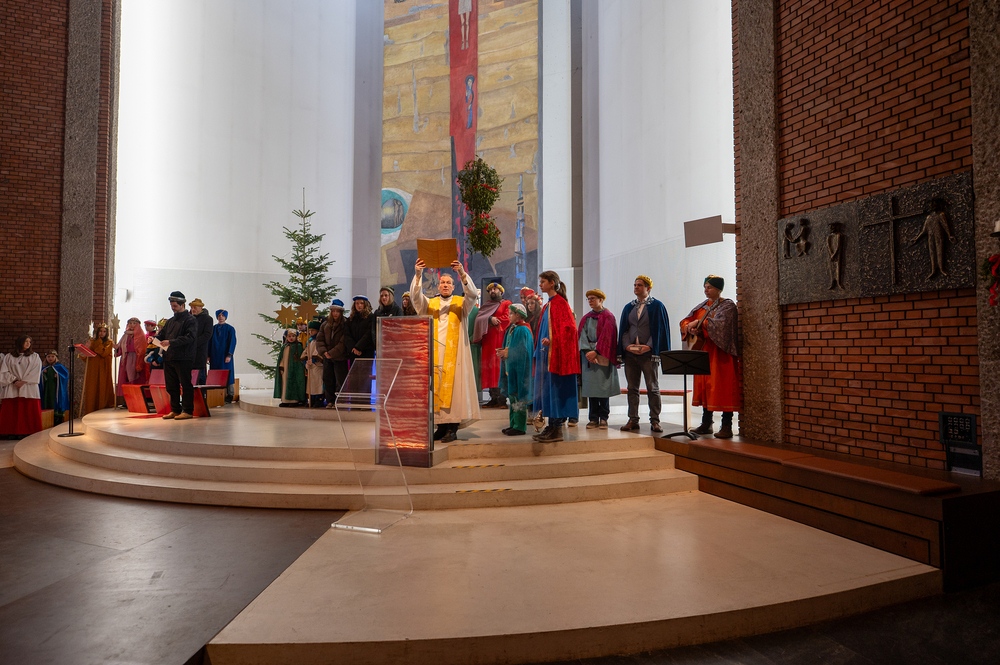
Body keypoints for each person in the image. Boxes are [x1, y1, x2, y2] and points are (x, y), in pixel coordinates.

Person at [409, 258, 480, 443]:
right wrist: (418, 274)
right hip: (435, 355)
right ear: (438, 286)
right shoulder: (430, 303)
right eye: (443, 282)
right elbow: (415, 298)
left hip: (455, 356)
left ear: (454, 287)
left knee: (454, 391)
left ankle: (452, 428)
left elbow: (473, 294)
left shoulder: (462, 303)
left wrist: (462, 273)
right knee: (436, 389)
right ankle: (440, 427)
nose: (445, 285)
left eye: (449, 282)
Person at [680, 275, 742, 438]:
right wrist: (689, 327)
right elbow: (686, 320)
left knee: (724, 388)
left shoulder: (727, 305)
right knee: (706, 388)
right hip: (704, 353)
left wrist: (699, 323)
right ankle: (706, 423)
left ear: (718, 289)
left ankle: (726, 425)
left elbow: (723, 325)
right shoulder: (702, 306)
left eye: (710, 287)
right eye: (705, 287)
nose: (706, 290)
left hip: (721, 354)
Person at [618, 275, 670, 434]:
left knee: (652, 387)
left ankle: (655, 420)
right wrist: (626, 346)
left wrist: (649, 346)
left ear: (648, 288)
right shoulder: (629, 307)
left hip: (648, 355)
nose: (636, 287)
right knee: (632, 388)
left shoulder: (657, 306)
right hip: (631, 355)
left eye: (639, 285)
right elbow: (624, 329)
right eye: (635, 285)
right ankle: (633, 419)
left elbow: (659, 329)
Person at [532, 271, 580, 443]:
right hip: (547, 357)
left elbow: (570, 330)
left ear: (552, 283)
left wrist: (552, 340)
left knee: (556, 392)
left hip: (557, 357)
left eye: (543, 281)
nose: (540, 285)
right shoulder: (548, 305)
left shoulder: (560, 304)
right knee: (549, 392)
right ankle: (551, 427)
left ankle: (556, 429)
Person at [579, 289, 620, 430]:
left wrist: (596, 352)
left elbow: (608, 337)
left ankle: (603, 417)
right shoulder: (586, 317)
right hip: (588, 357)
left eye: (593, 298)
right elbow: (581, 335)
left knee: (603, 388)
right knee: (591, 388)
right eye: (589, 299)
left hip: (602, 355)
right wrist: (587, 352)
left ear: (601, 300)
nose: (590, 301)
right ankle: (593, 418)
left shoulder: (608, 316)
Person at [157, 291, 198, 420]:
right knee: (171, 386)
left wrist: (171, 342)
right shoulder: (170, 321)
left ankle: (188, 411)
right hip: (169, 357)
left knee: (185, 385)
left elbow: (190, 337)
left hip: (184, 357)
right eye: (171, 306)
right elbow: (162, 335)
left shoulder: (191, 320)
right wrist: (154, 339)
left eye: (175, 306)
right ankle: (175, 410)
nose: (173, 308)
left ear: (182, 305)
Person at [475, 282, 511, 408]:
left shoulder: (507, 304)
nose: (492, 291)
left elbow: (508, 318)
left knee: (499, 368)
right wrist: (489, 319)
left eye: (495, 289)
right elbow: (479, 319)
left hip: (500, 340)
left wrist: (496, 320)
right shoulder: (486, 306)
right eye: (490, 290)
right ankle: (493, 398)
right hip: (488, 342)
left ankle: (502, 399)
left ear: (501, 291)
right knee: (489, 369)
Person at [499, 304, 533, 435]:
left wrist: (507, 353)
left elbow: (523, 351)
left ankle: (519, 427)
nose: (509, 316)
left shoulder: (523, 330)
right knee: (513, 398)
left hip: (519, 370)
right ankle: (513, 423)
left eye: (511, 314)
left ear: (518, 315)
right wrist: (504, 352)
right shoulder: (513, 328)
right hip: (511, 369)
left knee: (519, 398)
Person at [0, 335, 43, 437]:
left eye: (29, 342)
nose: (28, 344)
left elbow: (36, 371)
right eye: (26, 341)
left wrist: (23, 381)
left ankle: (28, 432)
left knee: (28, 411)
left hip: (28, 387)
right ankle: (9, 432)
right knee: (12, 411)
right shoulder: (9, 357)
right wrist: (14, 380)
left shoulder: (34, 356)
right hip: (12, 385)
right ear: (20, 342)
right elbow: (3, 371)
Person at [316, 299, 349, 408]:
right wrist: (324, 352)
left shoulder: (345, 324)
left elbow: (344, 342)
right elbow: (319, 339)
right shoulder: (325, 324)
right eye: (333, 311)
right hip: (327, 357)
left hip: (340, 357)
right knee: (328, 379)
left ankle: (340, 400)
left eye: (337, 311)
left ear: (341, 312)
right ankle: (330, 401)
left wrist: (332, 353)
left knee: (340, 380)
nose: (335, 313)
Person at [82, 323, 116, 415]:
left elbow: (103, 353)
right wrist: (86, 347)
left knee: (102, 388)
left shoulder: (109, 342)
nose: (102, 333)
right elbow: (84, 357)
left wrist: (99, 341)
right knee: (92, 389)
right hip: (92, 369)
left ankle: (102, 411)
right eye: (100, 331)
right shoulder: (92, 341)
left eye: (104, 331)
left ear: (107, 333)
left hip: (103, 369)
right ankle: (90, 411)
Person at [115, 317, 148, 400]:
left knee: (135, 378)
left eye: (134, 323)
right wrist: (117, 348)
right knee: (125, 378)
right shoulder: (125, 335)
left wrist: (139, 359)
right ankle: (126, 399)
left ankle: (136, 398)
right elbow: (120, 348)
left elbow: (142, 349)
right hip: (126, 358)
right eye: (130, 323)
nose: (132, 325)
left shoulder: (140, 335)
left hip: (137, 358)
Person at [209, 309, 237, 402]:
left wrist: (229, 355)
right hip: (214, 355)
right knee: (215, 374)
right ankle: (215, 395)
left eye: (222, 315)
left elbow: (232, 342)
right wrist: (208, 355)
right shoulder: (213, 329)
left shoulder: (230, 329)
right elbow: (209, 342)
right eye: (219, 316)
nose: (221, 317)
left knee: (228, 374)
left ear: (225, 317)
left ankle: (230, 394)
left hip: (225, 355)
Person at [274, 329, 306, 407]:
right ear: (286, 337)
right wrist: (281, 366)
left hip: (295, 370)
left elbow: (300, 359)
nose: (291, 338)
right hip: (285, 369)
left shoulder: (298, 346)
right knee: (284, 383)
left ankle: (294, 400)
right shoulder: (284, 347)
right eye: (289, 336)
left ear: (296, 337)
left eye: (293, 336)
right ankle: (285, 400)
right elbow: (281, 358)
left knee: (294, 383)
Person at [39, 350, 69, 426]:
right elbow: (39, 378)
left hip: (56, 390)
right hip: (47, 390)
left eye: (52, 356)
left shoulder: (60, 367)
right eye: (48, 356)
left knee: (56, 401)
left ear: (56, 357)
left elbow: (65, 376)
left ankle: (57, 418)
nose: (50, 358)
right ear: (46, 358)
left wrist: (58, 376)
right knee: (47, 401)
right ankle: (47, 419)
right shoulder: (44, 368)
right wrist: (42, 374)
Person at [190, 298, 213, 385]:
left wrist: (194, 343)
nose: (193, 309)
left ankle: (202, 393)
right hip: (189, 352)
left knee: (200, 376)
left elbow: (207, 335)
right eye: (192, 307)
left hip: (200, 351)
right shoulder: (190, 319)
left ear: (201, 308)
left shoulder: (208, 319)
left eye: (195, 307)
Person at [302, 320, 324, 407]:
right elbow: (305, 352)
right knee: (311, 383)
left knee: (318, 383)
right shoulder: (309, 341)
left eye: (313, 330)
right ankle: (312, 399)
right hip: (310, 366)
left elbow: (321, 352)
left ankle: (319, 398)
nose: (311, 332)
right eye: (309, 330)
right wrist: (305, 362)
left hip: (318, 366)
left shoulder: (321, 341)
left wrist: (315, 360)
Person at [467, 302, 482, 398]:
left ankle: (474, 394)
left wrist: (473, 338)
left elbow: (480, 326)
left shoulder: (477, 311)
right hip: (461, 343)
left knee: (474, 369)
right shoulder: (461, 309)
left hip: (473, 344)